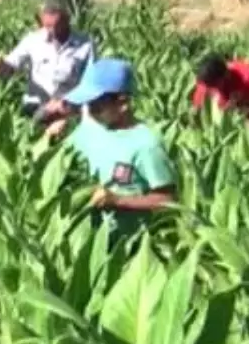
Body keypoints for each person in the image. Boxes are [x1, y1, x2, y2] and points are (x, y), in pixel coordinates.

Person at [62, 58, 177, 235]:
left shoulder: (146, 144)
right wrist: (49, 139)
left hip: (129, 247)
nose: (90, 112)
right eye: (88, 105)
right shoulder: (87, 131)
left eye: (96, 106)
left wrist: (118, 200)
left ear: (122, 103)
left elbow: (167, 199)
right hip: (86, 239)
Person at [0, 0, 94, 134]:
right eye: (47, 26)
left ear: (67, 20)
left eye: (57, 26)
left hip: (68, 109)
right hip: (36, 105)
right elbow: (11, 65)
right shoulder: (33, 40)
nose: (52, 32)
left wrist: (67, 107)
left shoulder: (85, 44)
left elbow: (91, 81)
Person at [190, 53, 249, 123]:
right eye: (211, 86)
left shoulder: (247, 75)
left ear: (226, 75)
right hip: (223, 119)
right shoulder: (204, 85)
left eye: (216, 85)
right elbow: (197, 109)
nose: (214, 89)